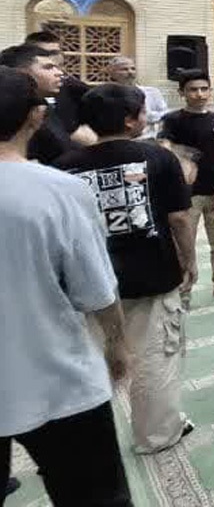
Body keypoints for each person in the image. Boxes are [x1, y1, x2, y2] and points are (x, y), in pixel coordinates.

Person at [0, 68, 134, 505]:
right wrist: (117, 343)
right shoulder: (58, 191)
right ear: (36, 117)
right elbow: (94, 289)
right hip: (57, 380)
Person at [55, 84, 197, 454]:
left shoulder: (64, 167)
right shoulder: (158, 158)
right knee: (154, 359)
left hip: (89, 282)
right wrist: (189, 260)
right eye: (143, 111)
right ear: (131, 120)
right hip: (150, 277)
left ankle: (91, 443)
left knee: (93, 360)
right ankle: (156, 434)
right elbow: (179, 218)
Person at [160, 70, 214, 298]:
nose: (199, 94)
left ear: (210, 91)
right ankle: (184, 292)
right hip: (187, 195)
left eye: (204, 89)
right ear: (182, 92)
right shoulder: (173, 120)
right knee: (184, 245)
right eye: (193, 89)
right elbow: (165, 149)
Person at [0, 44, 73, 164]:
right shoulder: (11, 112)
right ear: (21, 72)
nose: (59, 73)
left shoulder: (49, 107)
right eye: (48, 68)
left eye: (57, 67)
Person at [24, 30, 90, 136]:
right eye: (43, 54)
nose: (51, 58)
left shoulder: (74, 87)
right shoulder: (15, 91)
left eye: (55, 52)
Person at [107, 56, 169, 139]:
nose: (130, 72)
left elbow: (165, 114)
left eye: (133, 69)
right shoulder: (107, 95)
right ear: (112, 73)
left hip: (150, 138)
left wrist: (144, 115)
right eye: (124, 69)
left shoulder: (152, 92)